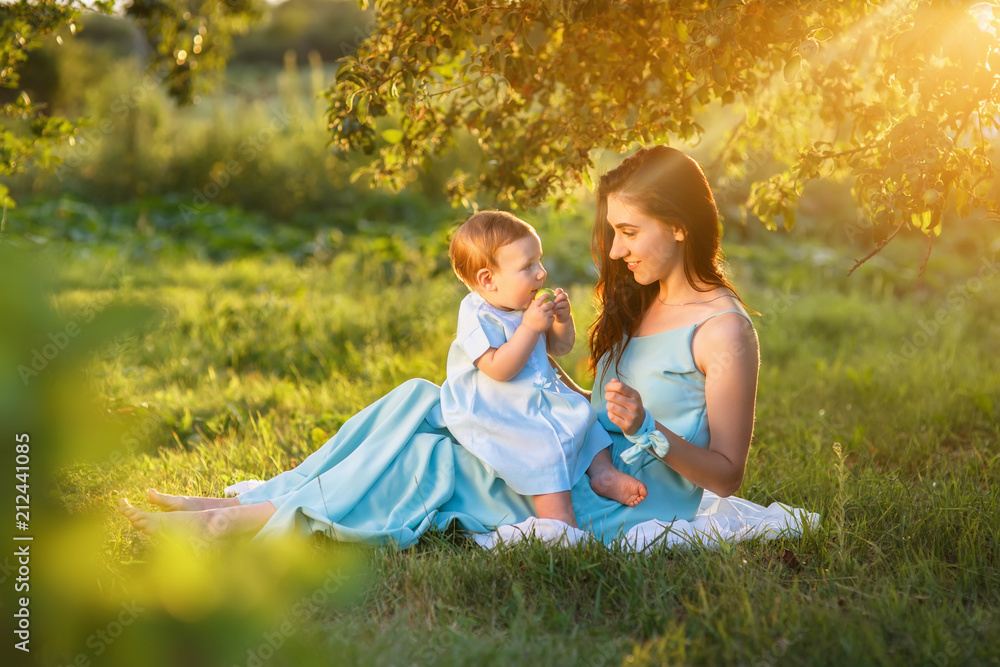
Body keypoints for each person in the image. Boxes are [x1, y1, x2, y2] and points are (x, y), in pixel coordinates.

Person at [119, 146, 760, 547]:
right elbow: (583, 396)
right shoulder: (639, 298)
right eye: (613, 232)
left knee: (432, 461)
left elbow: (726, 476)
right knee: (419, 403)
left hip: (619, 497)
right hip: (573, 455)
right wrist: (533, 386)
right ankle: (264, 500)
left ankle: (236, 524)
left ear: (678, 224)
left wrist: (647, 428)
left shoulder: (724, 330)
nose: (615, 251)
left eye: (628, 232)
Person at [440, 211, 646, 528]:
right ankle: (559, 521)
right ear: (488, 280)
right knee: (543, 445)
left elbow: (559, 348)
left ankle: (603, 474)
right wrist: (530, 327)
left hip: (537, 395)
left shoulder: (525, 305)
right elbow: (498, 369)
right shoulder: (477, 316)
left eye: (539, 261)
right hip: (499, 405)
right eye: (527, 267)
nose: (541, 274)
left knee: (582, 414)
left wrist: (561, 321)